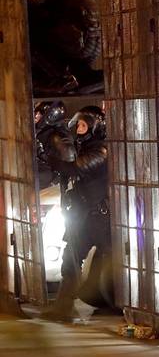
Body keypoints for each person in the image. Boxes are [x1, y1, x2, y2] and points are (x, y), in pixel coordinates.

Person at [43, 105, 110, 322]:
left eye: (83, 125)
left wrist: (52, 161)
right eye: (78, 125)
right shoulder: (86, 148)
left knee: (110, 264)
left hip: (99, 218)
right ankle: (63, 309)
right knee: (70, 260)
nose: (79, 129)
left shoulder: (100, 150)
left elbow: (76, 168)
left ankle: (120, 305)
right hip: (85, 217)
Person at [28, 0, 103, 95]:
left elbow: (27, 5)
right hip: (91, 48)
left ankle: (59, 81)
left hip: (72, 47)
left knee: (29, 31)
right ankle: (82, 77)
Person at [34, 100, 75, 190]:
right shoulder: (44, 132)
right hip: (47, 179)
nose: (36, 116)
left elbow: (66, 167)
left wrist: (39, 152)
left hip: (51, 182)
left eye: (40, 113)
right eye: (35, 112)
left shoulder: (58, 137)